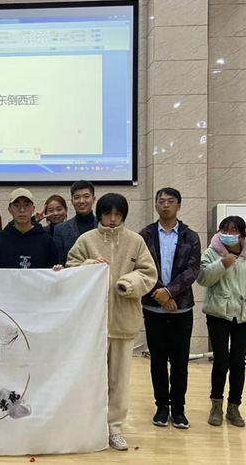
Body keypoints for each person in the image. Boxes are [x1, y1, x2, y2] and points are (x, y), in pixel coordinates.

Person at [66, 193, 157, 451]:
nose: (113, 219)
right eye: (108, 214)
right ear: (100, 215)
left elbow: (148, 273)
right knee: (90, 378)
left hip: (123, 322)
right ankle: (88, 426)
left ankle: (114, 428)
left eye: (118, 214)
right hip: (91, 324)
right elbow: (70, 267)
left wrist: (128, 283)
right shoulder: (86, 240)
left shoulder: (135, 241)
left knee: (119, 380)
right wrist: (89, 265)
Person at [197, 216, 246, 428]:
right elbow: (203, 279)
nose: (229, 234)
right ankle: (216, 406)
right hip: (218, 314)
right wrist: (222, 264)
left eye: (234, 230)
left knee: (238, 362)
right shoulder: (211, 253)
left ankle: (234, 407)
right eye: (225, 230)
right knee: (221, 361)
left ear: (243, 234)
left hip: (245, 315)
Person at [139, 188, 201, 429]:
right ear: (156, 205)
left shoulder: (190, 236)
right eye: (161, 201)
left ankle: (179, 409)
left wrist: (170, 292)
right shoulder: (145, 235)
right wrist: (161, 293)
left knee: (179, 362)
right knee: (157, 361)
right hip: (153, 308)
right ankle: (162, 407)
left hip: (181, 308)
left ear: (179, 206)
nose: (165, 205)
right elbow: (141, 267)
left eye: (170, 201)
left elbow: (193, 269)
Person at [0, 189, 59, 269]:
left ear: (33, 208)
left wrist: (58, 270)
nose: (22, 210)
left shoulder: (46, 240)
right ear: (10, 210)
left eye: (26, 205)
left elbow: (53, 271)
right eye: (17, 205)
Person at [53, 180, 98, 266]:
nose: (81, 201)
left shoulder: (102, 225)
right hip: (71, 273)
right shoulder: (60, 229)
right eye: (77, 197)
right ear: (72, 201)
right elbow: (60, 262)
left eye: (86, 196)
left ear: (93, 199)